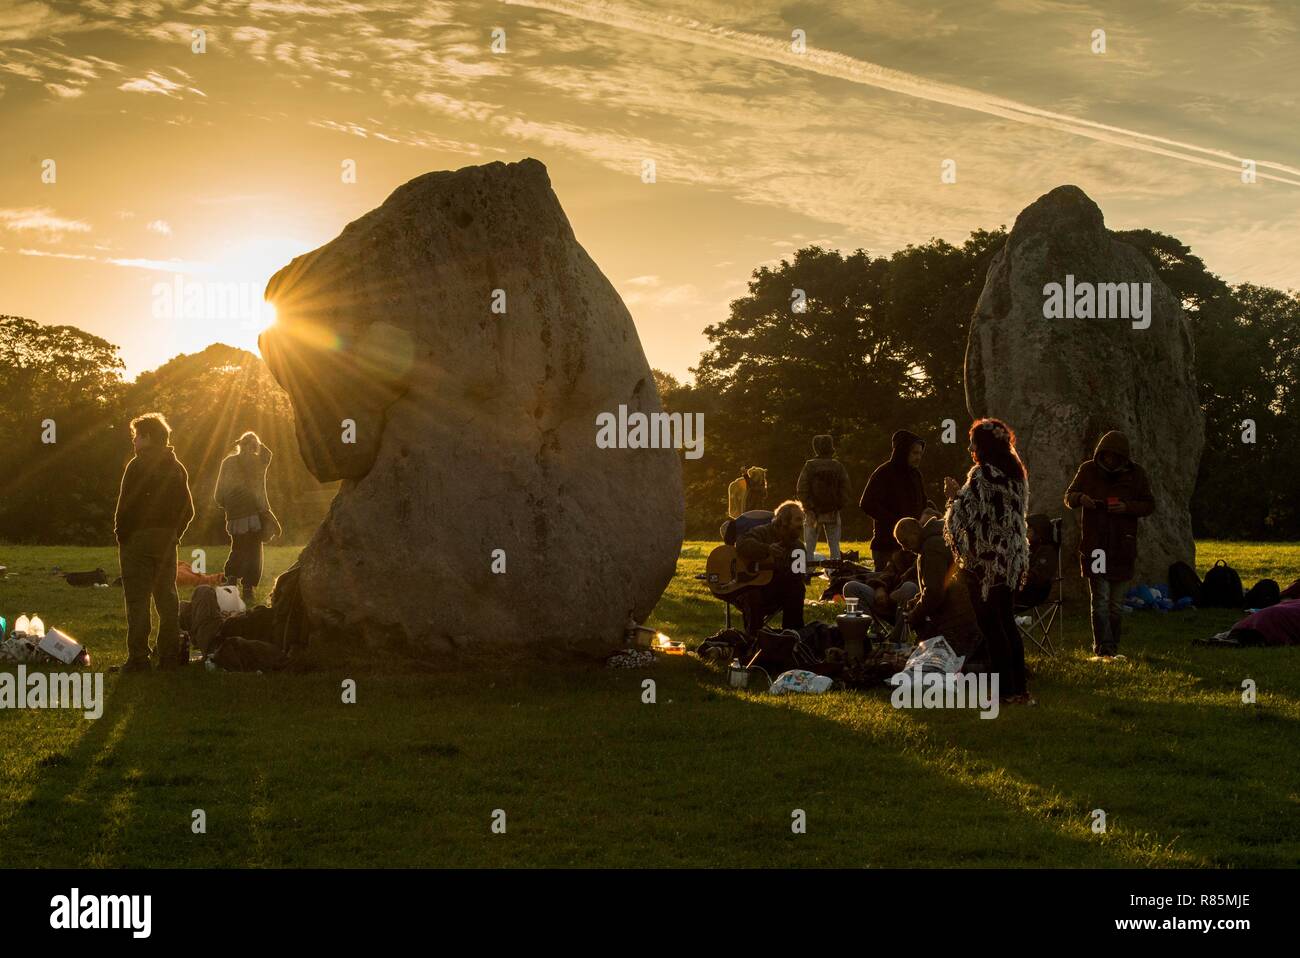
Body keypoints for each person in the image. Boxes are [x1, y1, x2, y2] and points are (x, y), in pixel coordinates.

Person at [943, 419, 1032, 704]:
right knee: (1006, 622)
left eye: (972, 441)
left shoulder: (982, 476)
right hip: (1012, 560)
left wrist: (953, 496)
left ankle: (1005, 690)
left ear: (984, 445)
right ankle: (1019, 687)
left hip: (987, 563)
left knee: (992, 627)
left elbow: (965, 517)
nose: (969, 447)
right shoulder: (1017, 477)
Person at [114, 413, 195, 672]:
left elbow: (124, 506)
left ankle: (139, 658)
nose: (134, 441)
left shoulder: (137, 466)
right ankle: (169, 657)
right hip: (166, 539)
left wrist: (122, 534)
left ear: (148, 437)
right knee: (167, 598)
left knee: (138, 600)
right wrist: (174, 533)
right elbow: (189, 510)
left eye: (136, 436)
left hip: (137, 539)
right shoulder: (177, 467)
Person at [1064, 431, 1156, 658]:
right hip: (1095, 545)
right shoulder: (1088, 470)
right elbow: (1069, 496)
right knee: (1101, 601)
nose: (1110, 460)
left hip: (1122, 546)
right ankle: (1103, 648)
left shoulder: (1136, 475)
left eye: (1115, 457)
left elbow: (1149, 504)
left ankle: (1112, 646)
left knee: (1116, 603)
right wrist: (1080, 499)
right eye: (1106, 456)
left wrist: (1126, 507)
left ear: (1123, 457)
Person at [901, 513, 982, 660]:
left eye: (905, 541)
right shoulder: (936, 541)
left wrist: (915, 614)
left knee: (942, 663)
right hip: (960, 614)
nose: (904, 548)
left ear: (915, 532)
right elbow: (941, 583)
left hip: (955, 621)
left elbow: (935, 593)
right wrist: (918, 599)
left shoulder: (931, 548)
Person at [215, 431, 277, 605]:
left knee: (238, 548)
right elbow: (268, 454)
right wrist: (257, 443)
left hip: (234, 514)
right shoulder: (258, 462)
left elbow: (219, 493)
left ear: (240, 444)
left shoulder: (228, 462)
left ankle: (231, 580)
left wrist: (228, 506)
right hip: (254, 513)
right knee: (254, 552)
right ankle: (248, 588)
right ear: (253, 446)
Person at [860, 429, 931, 571]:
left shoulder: (915, 475)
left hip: (911, 546)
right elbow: (867, 503)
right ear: (903, 452)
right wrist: (897, 522)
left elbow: (923, 502)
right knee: (885, 586)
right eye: (914, 453)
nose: (918, 457)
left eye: (920, 454)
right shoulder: (884, 473)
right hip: (887, 546)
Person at [735, 499, 809, 631]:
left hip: (777, 591)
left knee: (797, 588)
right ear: (784, 521)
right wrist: (766, 549)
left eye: (802, 520)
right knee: (753, 594)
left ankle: (792, 635)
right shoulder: (763, 532)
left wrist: (801, 573)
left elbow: (798, 576)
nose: (801, 525)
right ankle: (754, 640)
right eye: (798, 520)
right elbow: (741, 544)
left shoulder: (798, 548)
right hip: (751, 587)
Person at [796, 435, 851, 560]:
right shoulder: (837, 466)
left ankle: (807, 574)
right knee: (834, 547)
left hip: (812, 513)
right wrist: (838, 506)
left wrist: (809, 507)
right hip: (833, 512)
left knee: (809, 547)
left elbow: (801, 488)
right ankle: (835, 574)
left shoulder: (810, 466)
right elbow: (846, 488)